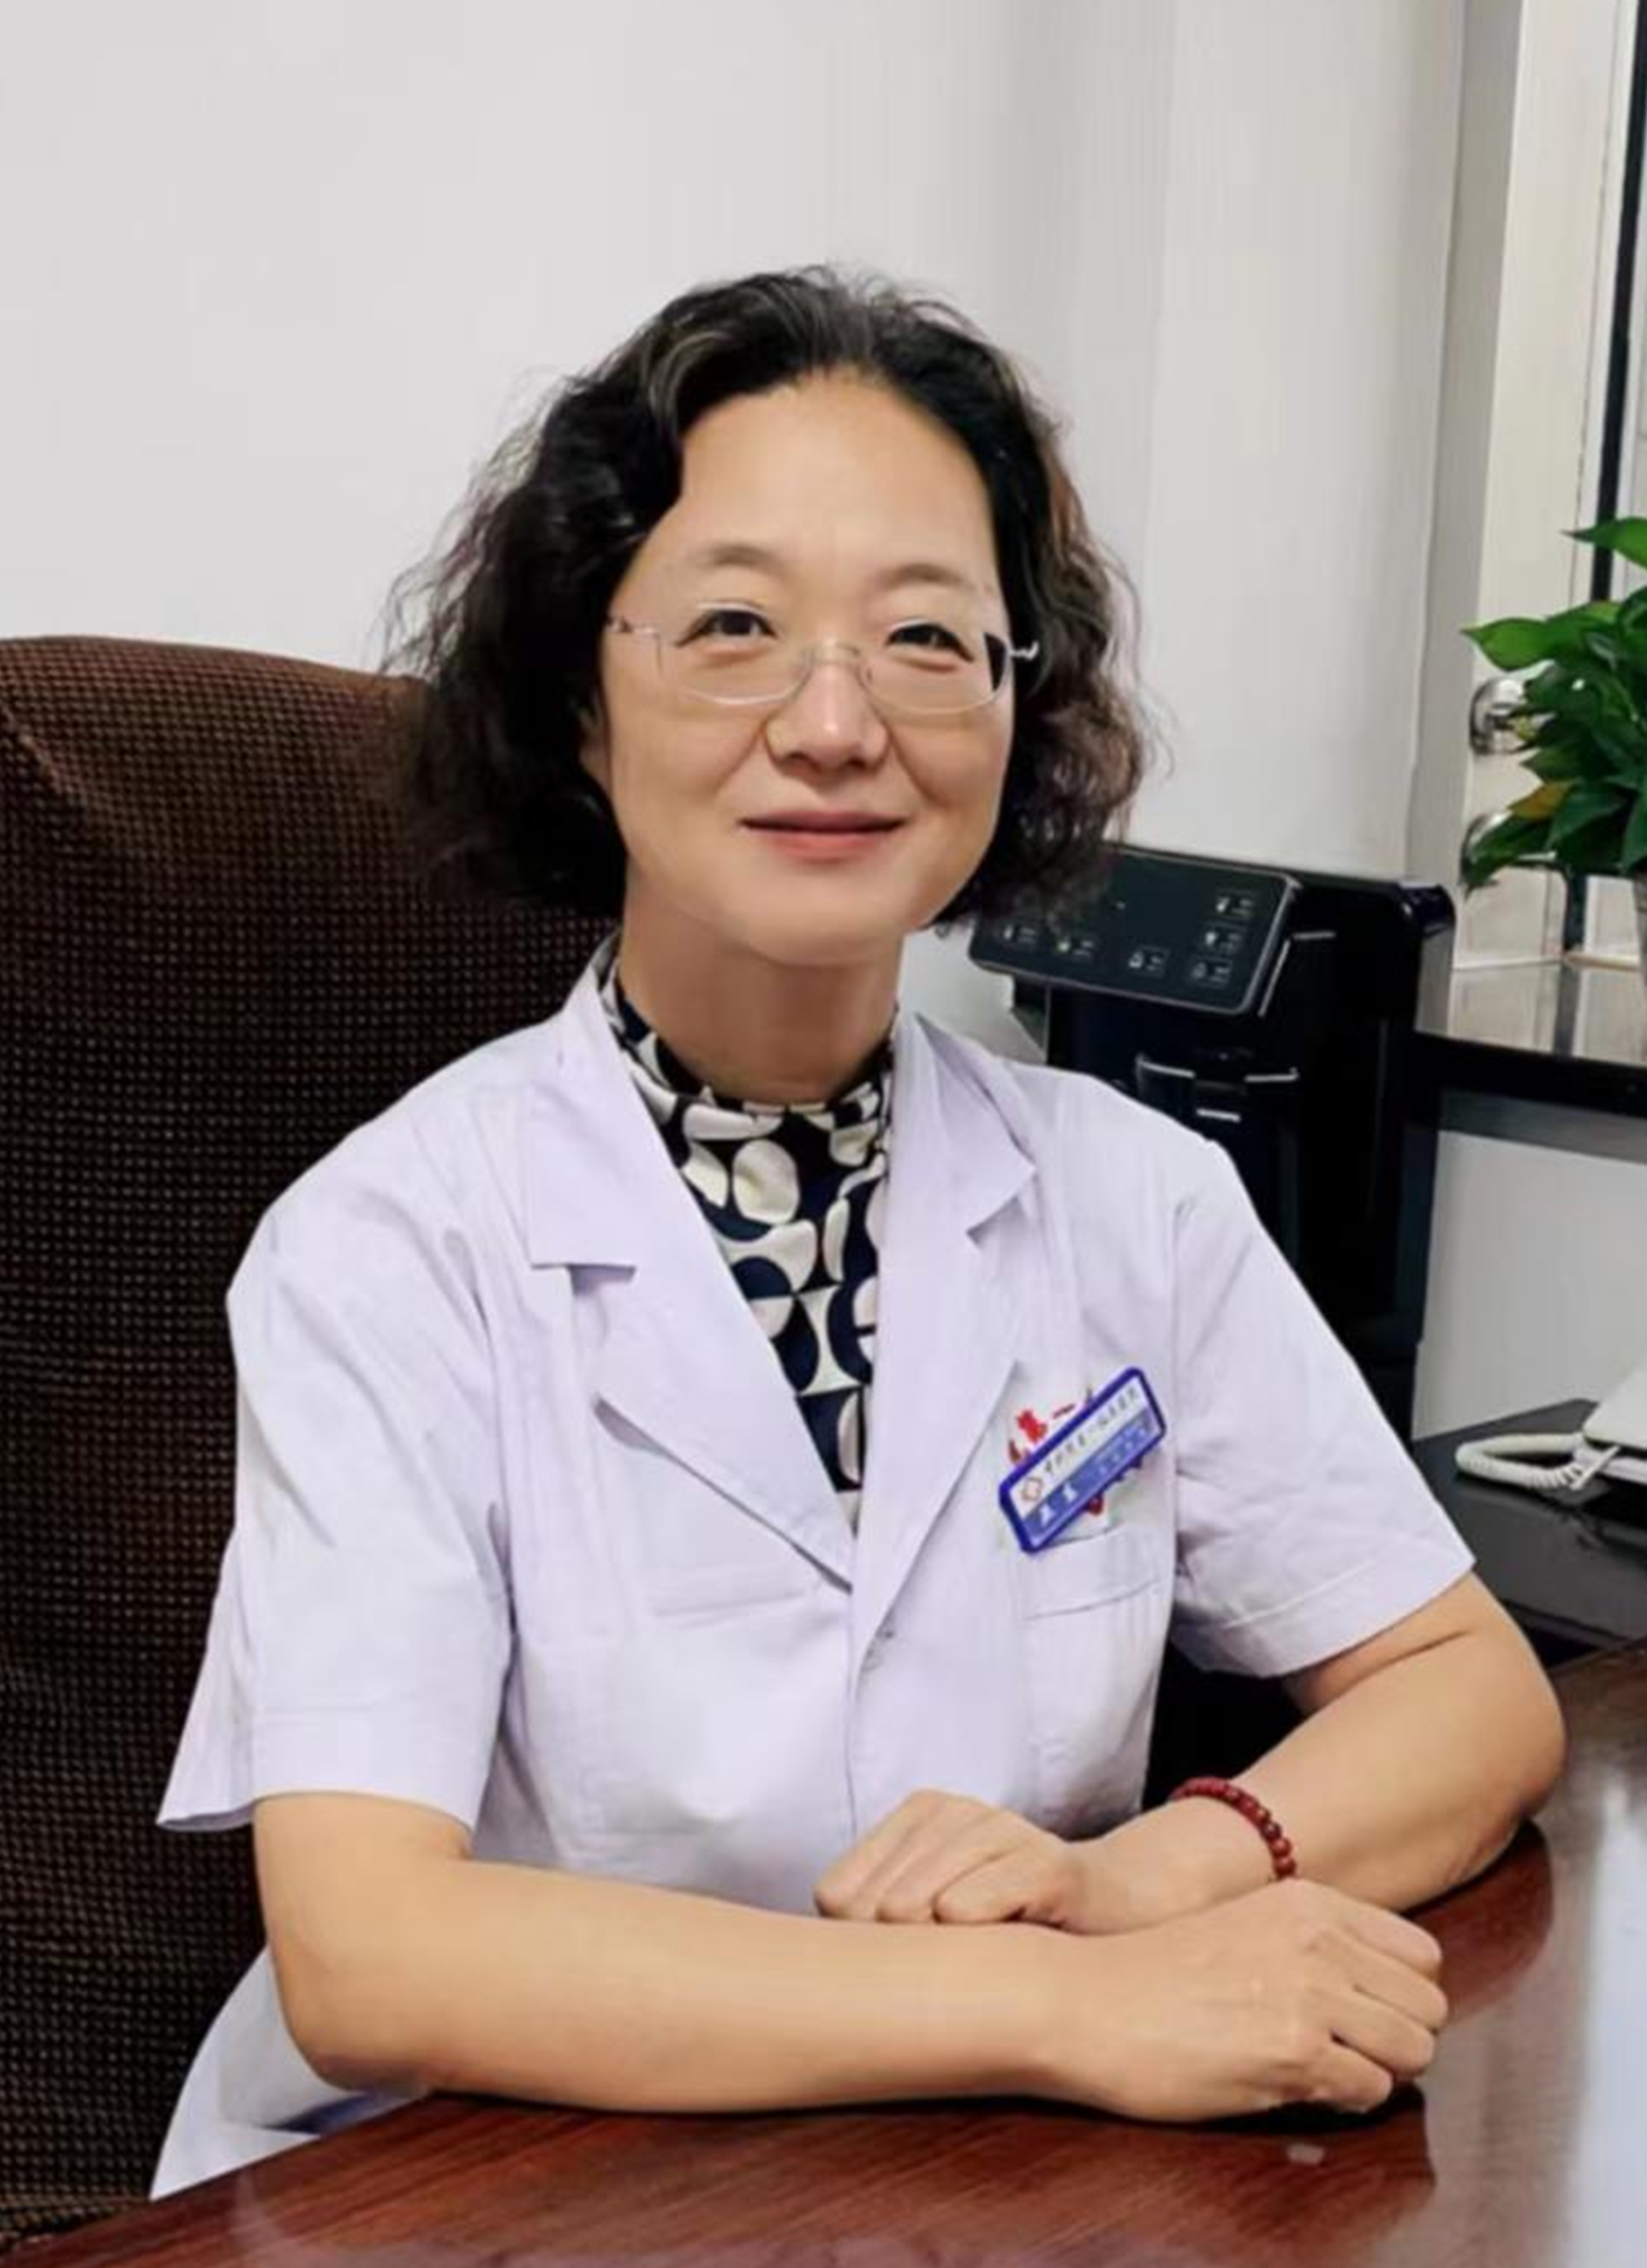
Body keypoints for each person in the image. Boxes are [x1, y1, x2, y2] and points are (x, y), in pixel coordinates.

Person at [150, 267, 1565, 2196]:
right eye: (734, 626)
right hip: (489, 2187)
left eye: (923, 638)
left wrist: (1142, 1882)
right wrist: (1058, 2005)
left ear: (1014, 702)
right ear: (579, 702)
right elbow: (371, 1954)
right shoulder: (392, 1243)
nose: (834, 724)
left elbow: (1464, 1690)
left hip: (982, 2176)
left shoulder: (1130, 1195)